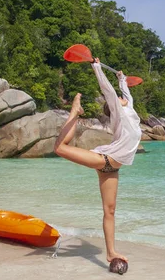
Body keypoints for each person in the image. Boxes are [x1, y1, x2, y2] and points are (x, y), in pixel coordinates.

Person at [54, 58, 142, 263]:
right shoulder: (119, 111)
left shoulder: (130, 111)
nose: (121, 98)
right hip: (104, 160)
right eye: (118, 99)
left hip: (112, 169)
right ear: (114, 107)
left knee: (110, 211)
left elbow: (125, 94)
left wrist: (122, 79)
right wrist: (97, 67)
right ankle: (75, 112)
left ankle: (111, 253)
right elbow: (108, 91)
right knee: (59, 148)